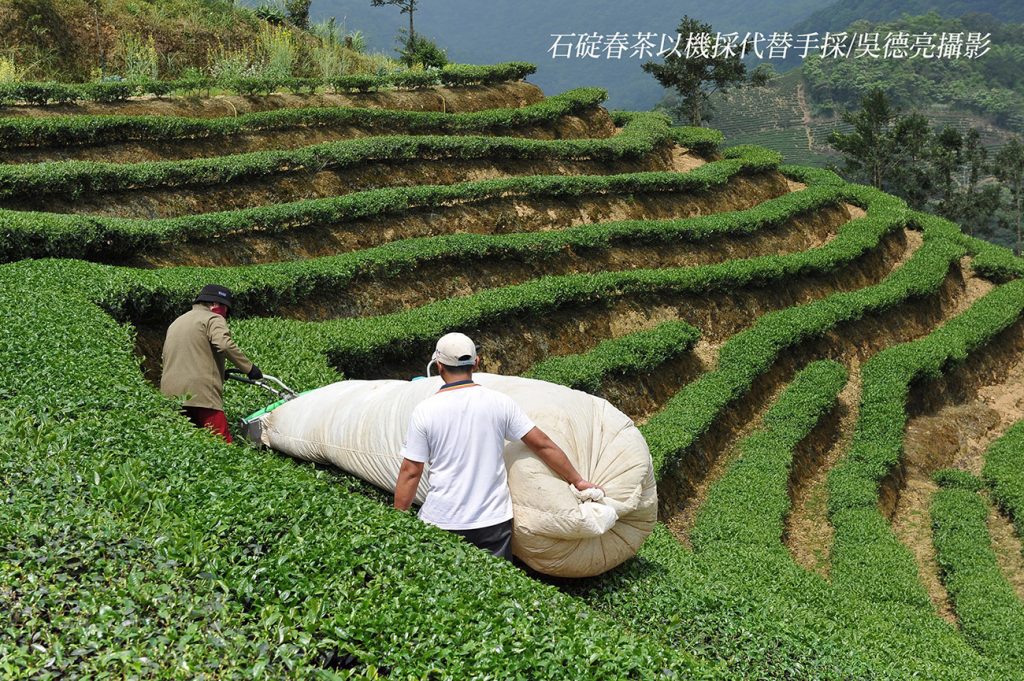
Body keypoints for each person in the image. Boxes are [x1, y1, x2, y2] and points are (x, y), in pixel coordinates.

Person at [393, 332, 599, 561]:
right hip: (492, 522)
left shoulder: (425, 410)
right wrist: (577, 480)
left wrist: (398, 519)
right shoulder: (499, 402)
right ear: (477, 363)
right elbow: (542, 445)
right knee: (495, 591)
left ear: (439, 366)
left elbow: (411, 471)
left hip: (442, 520)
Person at [160, 284, 262, 443]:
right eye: (226, 309)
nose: (226, 314)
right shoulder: (213, 318)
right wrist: (249, 368)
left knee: (185, 442)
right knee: (221, 443)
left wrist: (220, 372)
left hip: (171, 394)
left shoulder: (178, 321)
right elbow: (224, 344)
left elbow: (188, 355)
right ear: (216, 305)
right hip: (202, 394)